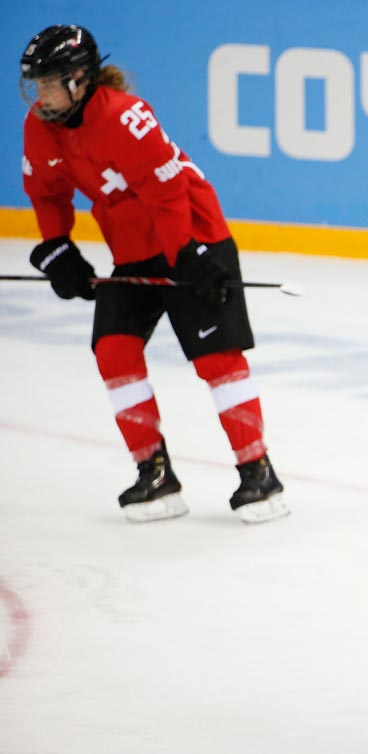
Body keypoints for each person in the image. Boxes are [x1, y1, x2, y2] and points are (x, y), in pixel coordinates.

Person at [20, 25, 287, 524]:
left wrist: (188, 256)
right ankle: (155, 474)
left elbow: (168, 195)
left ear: (80, 78)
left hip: (194, 237)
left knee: (216, 359)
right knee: (113, 350)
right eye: (35, 83)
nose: (41, 94)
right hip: (134, 250)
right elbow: (46, 193)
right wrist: (58, 248)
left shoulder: (127, 119)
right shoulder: (40, 127)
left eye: (50, 82)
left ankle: (259, 473)